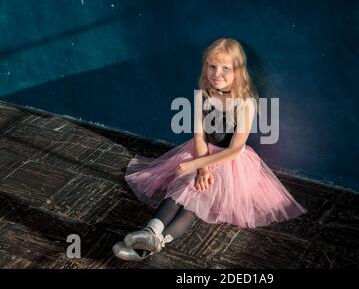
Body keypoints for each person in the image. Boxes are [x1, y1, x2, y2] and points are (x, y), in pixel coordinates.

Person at [113, 38, 307, 261]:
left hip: (230, 163)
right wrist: (201, 168)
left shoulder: (246, 102)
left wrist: (198, 165)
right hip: (202, 153)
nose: (217, 73)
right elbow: (199, 136)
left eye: (226, 68)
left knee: (196, 199)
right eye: (212, 66)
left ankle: (149, 247)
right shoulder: (203, 96)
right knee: (183, 185)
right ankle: (149, 231)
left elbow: (235, 150)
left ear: (238, 71)